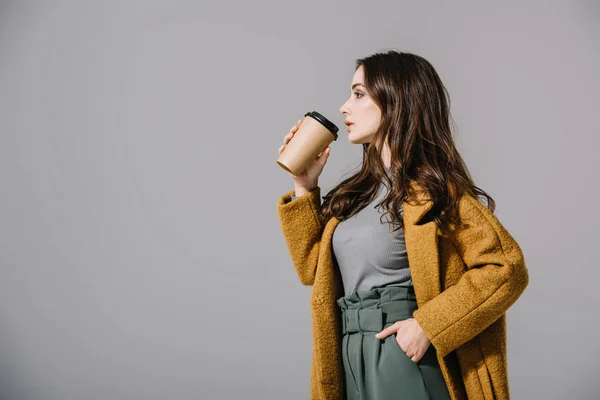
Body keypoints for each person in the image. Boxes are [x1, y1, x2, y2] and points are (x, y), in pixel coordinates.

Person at [276, 50, 529, 400]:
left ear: (397, 99)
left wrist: (429, 325)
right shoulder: (356, 197)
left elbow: (507, 267)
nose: (344, 107)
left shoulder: (435, 193)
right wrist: (304, 187)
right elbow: (311, 271)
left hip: (402, 352)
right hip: (347, 353)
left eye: (359, 93)